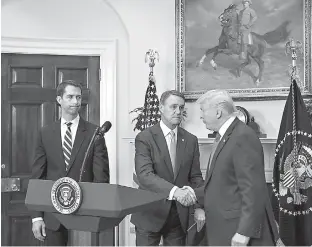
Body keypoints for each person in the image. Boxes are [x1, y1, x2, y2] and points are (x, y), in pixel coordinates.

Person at [194, 89, 279, 246]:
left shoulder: (242, 136)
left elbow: (253, 189)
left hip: (237, 230)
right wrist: (192, 194)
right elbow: (221, 182)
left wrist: (244, 232)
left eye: (203, 110)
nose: (201, 116)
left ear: (218, 112)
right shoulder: (225, 136)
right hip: (222, 227)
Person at [30, 80, 110, 246]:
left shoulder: (94, 133)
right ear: (59, 99)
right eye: (70, 97)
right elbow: (38, 176)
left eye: (78, 97)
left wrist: (96, 212)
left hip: (84, 215)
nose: (76, 101)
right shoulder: (45, 133)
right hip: (52, 217)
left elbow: (101, 178)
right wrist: (37, 216)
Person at [130, 90, 205, 246]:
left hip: (178, 217)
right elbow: (145, 175)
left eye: (181, 107)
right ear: (161, 108)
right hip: (149, 214)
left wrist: (199, 206)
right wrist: (175, 192)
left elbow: (196, 177)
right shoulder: (145, 138)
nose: (178, 112)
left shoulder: (191, 140)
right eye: (173, 107)